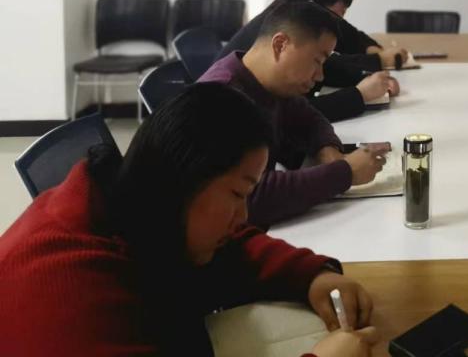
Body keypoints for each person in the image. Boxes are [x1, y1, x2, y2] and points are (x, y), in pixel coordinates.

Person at [0, 83, 377, 356]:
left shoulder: (140, 207)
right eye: (237, 194)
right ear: (180, 180)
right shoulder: (66, 294)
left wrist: (312, 275)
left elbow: (232, 247)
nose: (243, 215)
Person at [202, 0, 387, 227]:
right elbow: (250, 199)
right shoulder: (221, 97)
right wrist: (345, 173)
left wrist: (328, 152)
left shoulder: (267, 82)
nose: (320, 75)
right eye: (317, 61)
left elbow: (310, 119)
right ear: (280, 45)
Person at [219, 0, 396, 121]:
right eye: (336, 17)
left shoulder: (288, 18)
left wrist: (366, 76)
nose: (319, 75)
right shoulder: (281, 30)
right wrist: (359, 95)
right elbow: (288, 120)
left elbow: (306, 112)